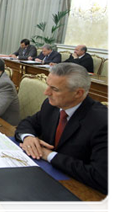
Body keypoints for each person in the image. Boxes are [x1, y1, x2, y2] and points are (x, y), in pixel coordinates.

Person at [15, 63, 111, 195]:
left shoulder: (104, 123)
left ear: (78, 93)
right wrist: (28, 137)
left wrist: (49, 155)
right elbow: (28, 123)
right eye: (48, 85)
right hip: (43, 180)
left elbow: (104, 178)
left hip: (81, 192)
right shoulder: (52, 106)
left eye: (54, 89)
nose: (46, 92)